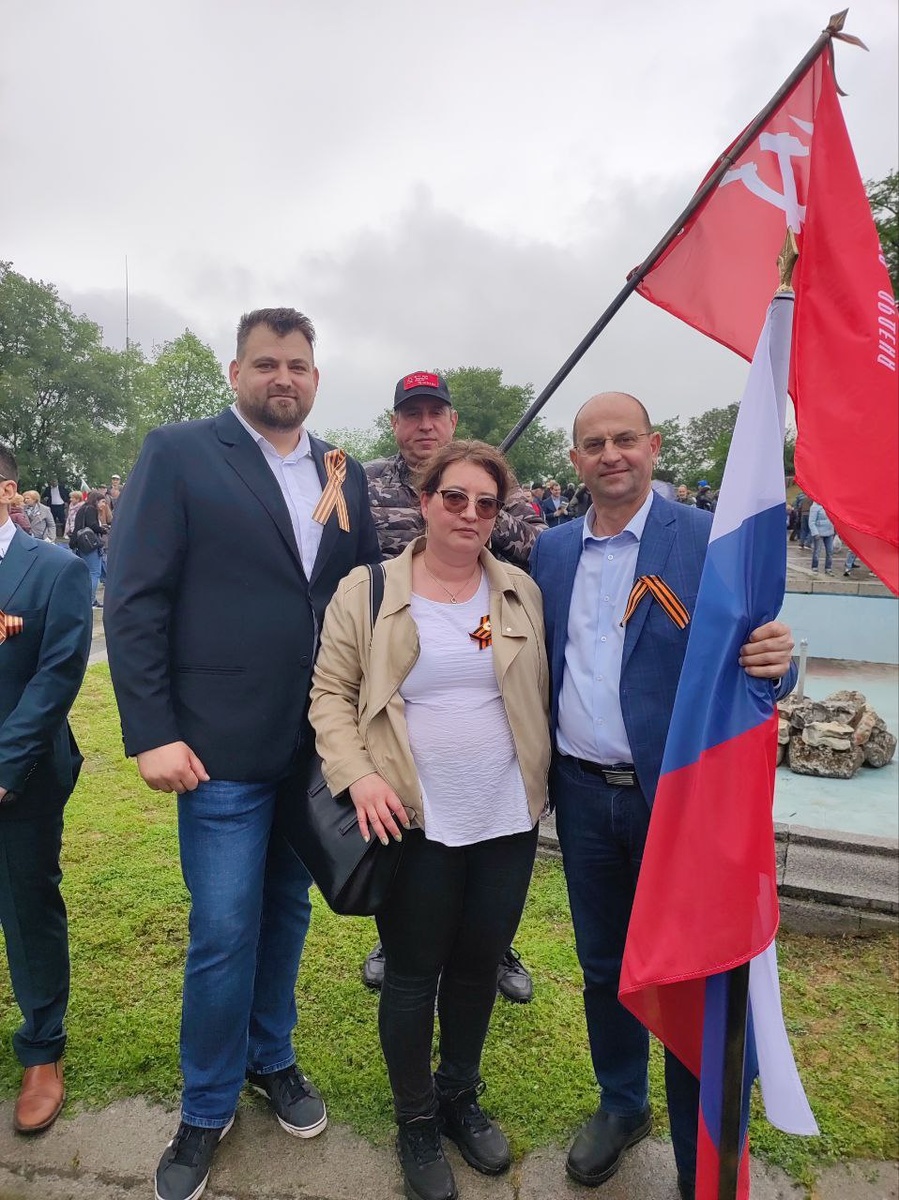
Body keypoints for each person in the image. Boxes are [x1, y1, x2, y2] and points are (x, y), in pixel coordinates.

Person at [103, 308, 379, 1200]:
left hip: (312, 745)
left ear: (315, 378)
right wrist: (151, 731)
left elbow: (359, 594)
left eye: (297, 365)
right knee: (224, 930)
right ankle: (206, 1103)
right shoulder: (181, 453)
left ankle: (271, 1057)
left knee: (286, 914)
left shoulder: (340, 469)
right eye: (266, 363)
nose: (282, 378)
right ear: (235, 373)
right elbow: (136, 597)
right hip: (215, 745)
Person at [529, 392, 796, 1200]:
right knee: (602, 963)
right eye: (592, 443)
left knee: (690, 971)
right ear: (574, 460)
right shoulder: (550, 550)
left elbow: (759, 648)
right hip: (582, 794)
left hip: (675, 802)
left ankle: (694, 1147)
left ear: (651, 447)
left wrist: (780, 661)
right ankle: (621, 1103)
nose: (609, 454)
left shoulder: (709, 537)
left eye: (624, 440)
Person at [310, 440, 551, 1200]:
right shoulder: (369, 590)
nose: (469, 514)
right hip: (414, 819)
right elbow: (330, 694)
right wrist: (358, 776)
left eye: (486, 503)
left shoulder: (517, 591)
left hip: (505, 816)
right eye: (454, 497)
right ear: (424, 501)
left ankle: (457, 1096)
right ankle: (415, 1120)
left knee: (478, 966)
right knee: (413, 974)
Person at [363, 370, 545, 1003]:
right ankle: (395, 937)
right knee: (409, 834)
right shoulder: (365, 485)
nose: (424, 425)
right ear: (395, 424)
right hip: (396, 668)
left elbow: (537, 557)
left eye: (434, 413)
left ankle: (494, 946)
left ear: (452, 420)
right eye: (412, 414)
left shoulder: (493, 487)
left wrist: (481, 508)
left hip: (479, 648)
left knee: (491, 837)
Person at [0, 444, 92, 1134]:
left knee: (27, 906)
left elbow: (57, 677)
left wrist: (3, 769)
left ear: (7, 490)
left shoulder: (55, 570)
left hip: (21, 777)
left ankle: (42, 1048)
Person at [68, 490, 104, 607]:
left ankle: (83, 599)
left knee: (85, 573)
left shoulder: (82, 508)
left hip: (79, 544)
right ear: (96, 501)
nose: (104, 504)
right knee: (94, 573)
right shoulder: (92, 509)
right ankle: (91, 600)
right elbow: (92, 525)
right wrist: (103, 530)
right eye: (102, 501)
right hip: (90, 544)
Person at [808, 501, 835, 575]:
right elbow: (811, 522)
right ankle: (815, 567)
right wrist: (815, 533)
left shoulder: (829, 505)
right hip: (819, 533)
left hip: (829, 531)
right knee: (817, 551)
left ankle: (828, 568)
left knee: (830, 551)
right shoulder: (814, 507)